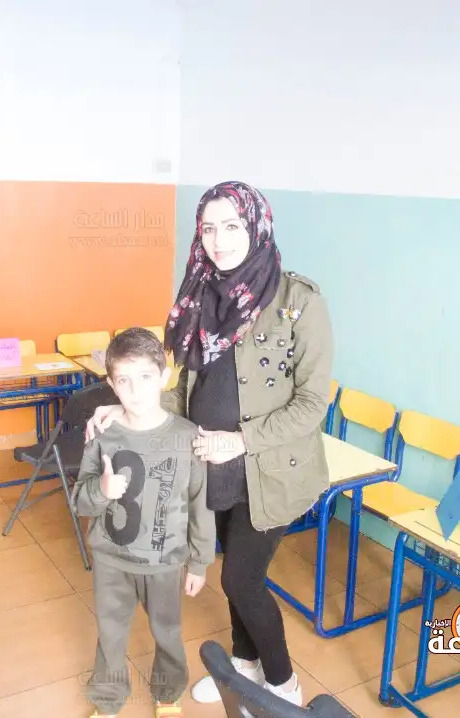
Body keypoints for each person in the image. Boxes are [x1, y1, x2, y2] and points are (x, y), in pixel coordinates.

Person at [86, 180, 334, 706]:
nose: (219, 241)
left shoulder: (298, 301)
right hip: (208, 462)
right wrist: (126, 408)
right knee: (230, 573)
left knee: (242, 579)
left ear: (257, 226)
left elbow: (313, 403)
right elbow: (181, 388)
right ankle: (244, 663)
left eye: (232, 226)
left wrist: (240, 441)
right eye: (209, 228)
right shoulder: (200, 294)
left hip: (270, 469)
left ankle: (283, 684)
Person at [74, 327, 217, 718]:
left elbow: (200, 505)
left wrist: (200, 562)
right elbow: (80, 501)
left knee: (168, 632)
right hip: (111, 561)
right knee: (110, 634)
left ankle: (168, 694)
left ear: (164, 377)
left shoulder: (187, 438)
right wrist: (102, 489)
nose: (135, 391)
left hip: (164, 562)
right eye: (124, 380)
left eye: (145, 377)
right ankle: (108, 701)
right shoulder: (102, 434)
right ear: (111, 385)